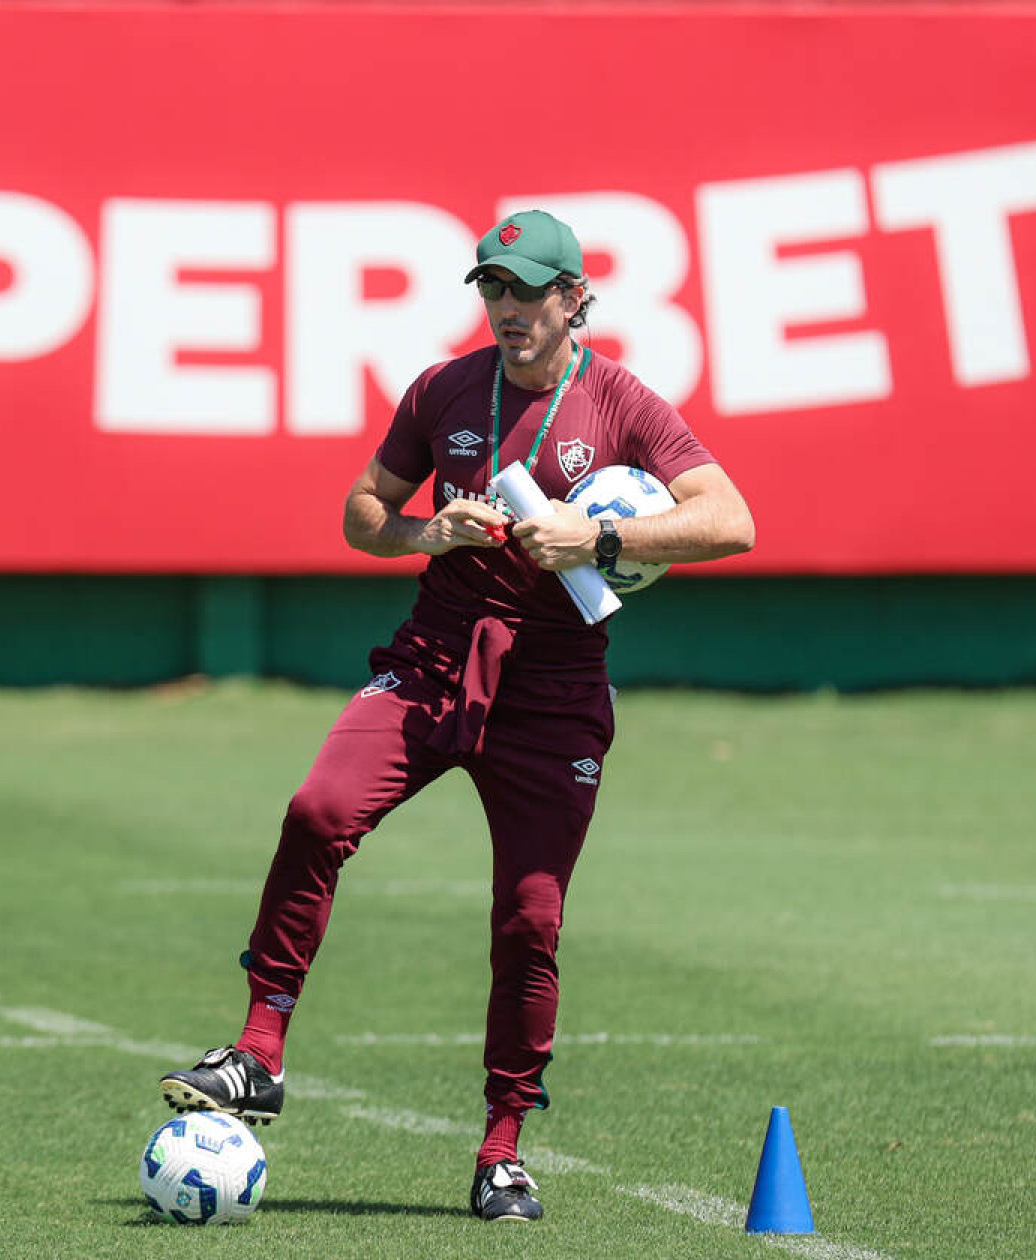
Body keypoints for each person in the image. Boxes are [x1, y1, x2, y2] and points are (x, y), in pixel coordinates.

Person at [159, 209, 755, 1222]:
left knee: (531, 918)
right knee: (317, 811)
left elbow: (731, 520)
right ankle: (259, 1052)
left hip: (555, 691)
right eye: (494, 289)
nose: (508, 309)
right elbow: (361, 513)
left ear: (575, 300)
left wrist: (597, 541)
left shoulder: (622, 403)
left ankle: (502, 1149)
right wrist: (423, 532)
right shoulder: (443, 389)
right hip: (435, 657)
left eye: (528, 291)